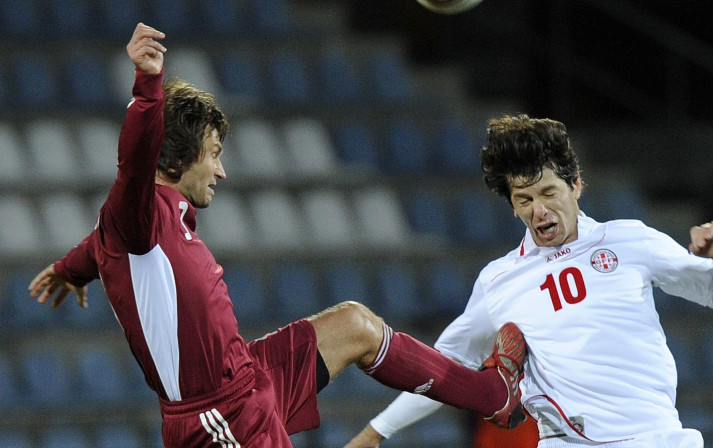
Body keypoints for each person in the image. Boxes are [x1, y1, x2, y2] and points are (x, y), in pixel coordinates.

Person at [27, 23, 529, 447]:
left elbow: (96, 246)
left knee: (355, 323)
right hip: (218, 417)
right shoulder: (139, 214)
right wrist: (147, 83)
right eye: (214, 153)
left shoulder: (143, 222)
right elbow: (133, 163)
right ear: (176, 160)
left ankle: (495, 397)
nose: (221, 171)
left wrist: (68, 270)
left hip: (248, 375)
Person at [345, 115, 713, 448]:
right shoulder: (499, 281)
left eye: (548, 192)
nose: (539, 211)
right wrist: (376, 431)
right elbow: (445, 369)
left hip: (656, 440)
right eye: (524, 200)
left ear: (576, 184)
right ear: (513, 209)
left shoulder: (631, 239)